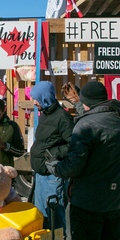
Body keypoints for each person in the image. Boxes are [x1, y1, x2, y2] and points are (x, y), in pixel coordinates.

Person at [48, 81, 120, 240]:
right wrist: (80, 104)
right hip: (112, 201)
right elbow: (99, 122)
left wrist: (55, 167)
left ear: (87, 103)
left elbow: (74, 166)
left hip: (86, 202)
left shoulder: (85, 126)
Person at [29, 81, 72, 232]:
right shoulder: (45, 115)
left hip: (53, 176)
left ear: (45, 97)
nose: (34, 102)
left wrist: (54, 154)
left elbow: (73, 144)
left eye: (37, 98)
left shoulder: (62, 117)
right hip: (41, 175)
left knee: (55, 218)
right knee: (42, 217)